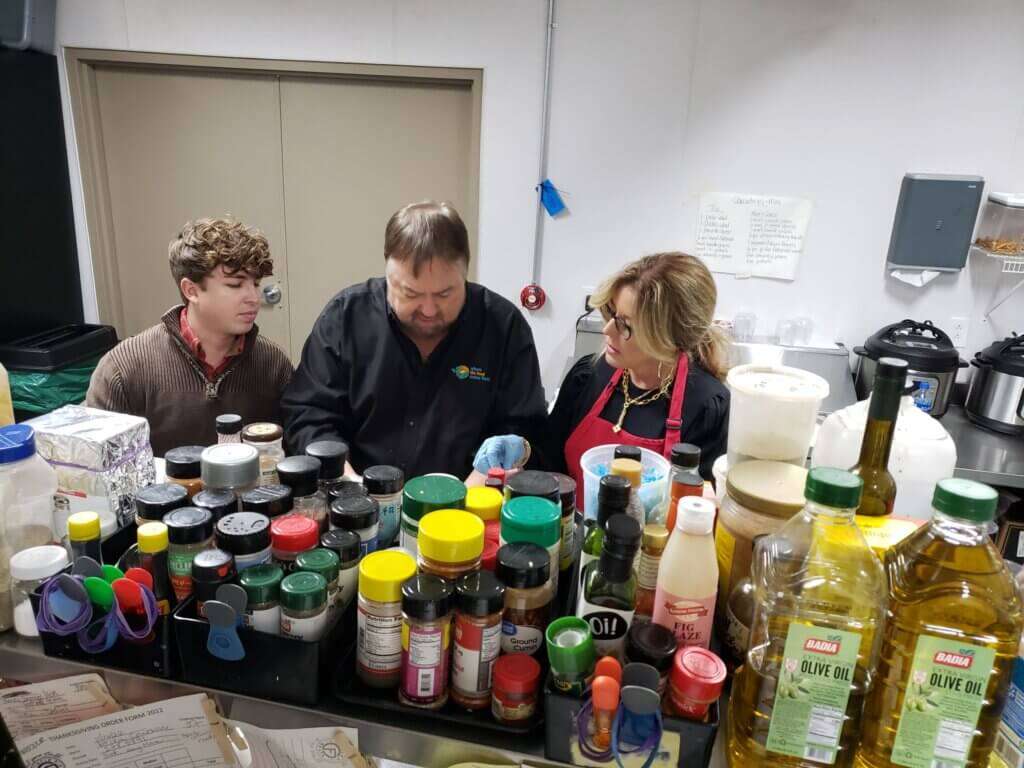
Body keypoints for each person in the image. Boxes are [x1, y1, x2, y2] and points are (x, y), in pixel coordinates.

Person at [281, 200, 548, 479]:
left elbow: (527, 432)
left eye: (445, 294)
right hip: (359, 497)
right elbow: (308, 414)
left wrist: (495, 470)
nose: (429, 310)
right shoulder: (345, 319)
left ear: (465, 273)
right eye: (411, 294)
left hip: (472, 505)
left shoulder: (503, 327)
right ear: (387, 273)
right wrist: (347, 481)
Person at [87, 218, 293, 455]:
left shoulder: (274, 365)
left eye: (255, 283)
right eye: (235, 285)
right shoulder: (123, 369)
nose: (254, 298)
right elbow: (97, 467)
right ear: (191, 290)